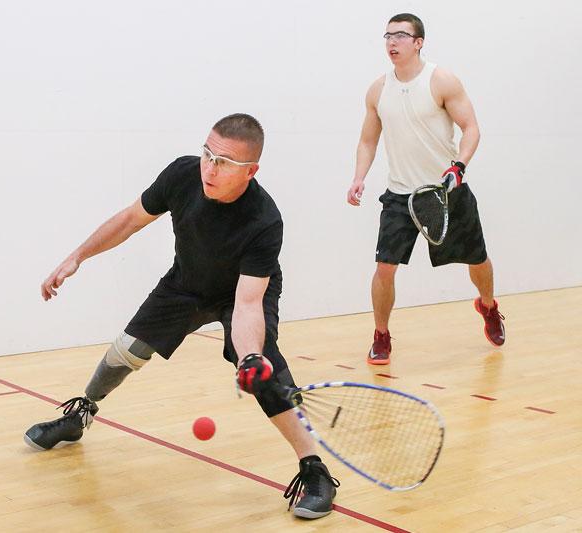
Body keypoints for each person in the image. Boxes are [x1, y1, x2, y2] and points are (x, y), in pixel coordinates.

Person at [25, 114, 339, 519]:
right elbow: (129, 220)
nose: (209, 167)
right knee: (126, 351)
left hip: (238, 293)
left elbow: (245, 304)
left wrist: (248, 357)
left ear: (251, 172)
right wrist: (77, 257)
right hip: (186, 282)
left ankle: (314, 470)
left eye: (224, 162)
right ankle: (81, 413)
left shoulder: (263, 219)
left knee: (267, 374)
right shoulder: (182, 174)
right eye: (207, 153)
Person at [346, 13, 505, 365]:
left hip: (446, 192)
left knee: (477, 260)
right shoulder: (377, 90)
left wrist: (458, 166)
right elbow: (368, 141)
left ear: (419, 42)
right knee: (384, 267)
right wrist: (359, 176)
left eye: (401, 36)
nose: (392, 42)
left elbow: (471, 128)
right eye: (388, 35)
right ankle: (381, 335)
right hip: (399, 196)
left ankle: (489, 306)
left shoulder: (441, 81)